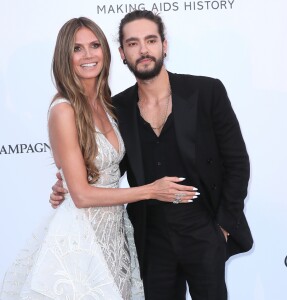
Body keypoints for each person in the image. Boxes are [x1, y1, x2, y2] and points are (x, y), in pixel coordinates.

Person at [50, 10, 253, 300]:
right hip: (150, 238)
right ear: (121, 53)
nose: (143, 50)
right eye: (133, 43)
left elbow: (237, 162)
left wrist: (221, 228)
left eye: (150, 40)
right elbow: (108, 163)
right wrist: (68, 184)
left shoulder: (206, 91)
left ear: (164, 45)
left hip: (203, 231)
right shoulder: (116, 108)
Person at [0, 17, 198, 300]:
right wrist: (152, 191)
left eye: (94, 45)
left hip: (114, 231)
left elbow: (102, 169)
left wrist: (65, 181)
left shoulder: (108, 104)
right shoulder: (63, 110)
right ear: (64, 57)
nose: (88, 55)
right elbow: (80, 195)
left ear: (106, 51)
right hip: (82, 234)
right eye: (77, 48)